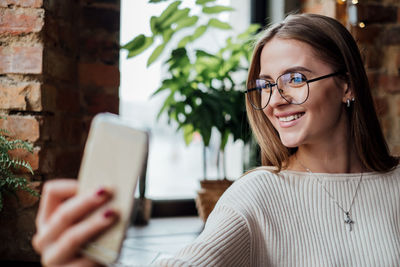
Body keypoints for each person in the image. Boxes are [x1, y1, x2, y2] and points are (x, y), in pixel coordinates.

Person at [32, 13, 399, 266]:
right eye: (265, 85)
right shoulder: (258, 194)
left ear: (347, 85)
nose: (275, 100)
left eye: (296, 79)